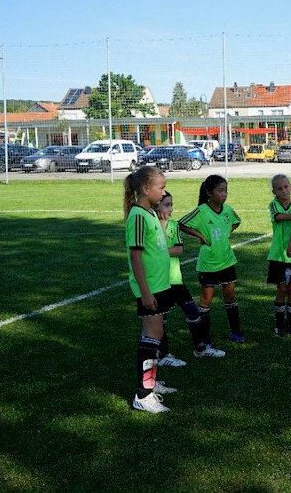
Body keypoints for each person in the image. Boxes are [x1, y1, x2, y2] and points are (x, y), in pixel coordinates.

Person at [123, 166, 177, 414]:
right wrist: (145, 293)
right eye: (161, 187)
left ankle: (151, 383)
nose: (163, 191)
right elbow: (135, 257)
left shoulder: (151, 213)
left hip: (160, 283)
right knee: (152, 336)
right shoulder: (137, 215)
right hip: (150, 287)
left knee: (155, 336)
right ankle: (143, 395)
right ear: (146, 189)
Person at [155, 191, 225, 361]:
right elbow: (149, 253)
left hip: (175, 279)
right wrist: (161, 251)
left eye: (172, 204)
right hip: (158, 280)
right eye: (167, 205)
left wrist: (158, 252)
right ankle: (163, 355)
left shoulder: (173, 225)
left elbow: (178, 249)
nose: (171, 208)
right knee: (160, 319)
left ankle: (200, 349)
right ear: (155, 205)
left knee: (193, 313)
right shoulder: (151, 225)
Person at [179, 175, 244, 345]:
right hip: (209, 263)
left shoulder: (228, 210)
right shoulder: (201, 211)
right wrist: (200, 235)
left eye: (226, 191)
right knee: (206, 299)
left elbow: (236, 221)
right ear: (209, 192)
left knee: (230, 295)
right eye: (220, 190)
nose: (224, 194)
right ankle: (205, 338)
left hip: (227, 260)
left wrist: (228, 231)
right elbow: (181, 224)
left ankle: (236, 332)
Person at [267, 174, 291, 337]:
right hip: (278, 254)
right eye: (279, 188)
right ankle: (279, 325)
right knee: (282, 288)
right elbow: (279, 217)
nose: (284, 190)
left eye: (286, 187)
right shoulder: (273, 205)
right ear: (274, 191)